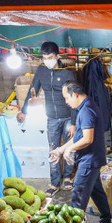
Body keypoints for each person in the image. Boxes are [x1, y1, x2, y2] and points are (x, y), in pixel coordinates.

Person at [50, 81, 112, 223]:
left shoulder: (86, 111)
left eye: (67, 98)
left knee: (78, 196)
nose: (66, 102)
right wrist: (61, 149)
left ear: (75, 94)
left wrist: (70, 150)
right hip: (92, 160)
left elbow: (87, 139)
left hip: (89, 161)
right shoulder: (86, 106)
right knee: (96, 191)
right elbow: (79, 137)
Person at [17, 41, 79, 196]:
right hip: (51, 117)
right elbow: (33, 91)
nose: (47, 60)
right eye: (44, 58)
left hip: (67, 116)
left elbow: (75, 99)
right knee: (53, 149)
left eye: (50, 57)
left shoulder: (67, 73)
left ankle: (68, 177)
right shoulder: (41, 70)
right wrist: (23, 111)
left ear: (57, 56)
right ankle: (54, 183)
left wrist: (73, 122)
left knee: (70, 149)